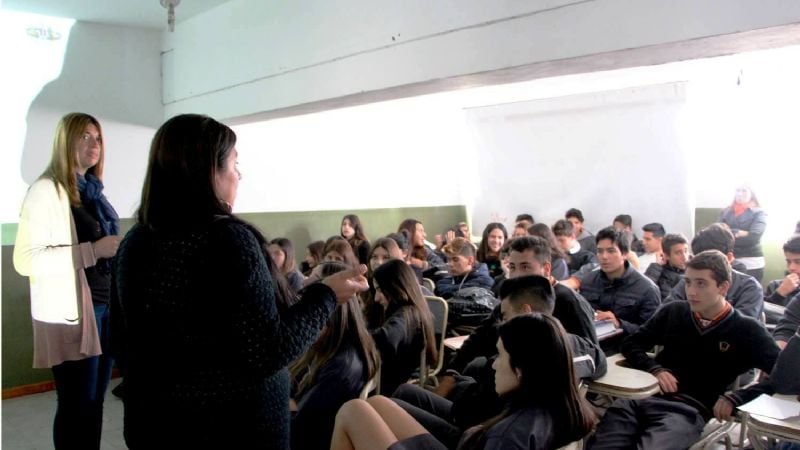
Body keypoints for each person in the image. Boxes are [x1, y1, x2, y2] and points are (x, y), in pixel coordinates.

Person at [111, 114, 368, 449]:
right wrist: (326, 295)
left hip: (156, 423)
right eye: (234, 163)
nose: (239, 174)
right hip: (234, 429)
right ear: (207, 171)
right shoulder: (228, 240)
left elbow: (120, 339)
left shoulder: (135, 242)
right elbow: (269, 349)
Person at [588, 250, 780, 450]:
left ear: (723, 287)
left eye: (701, 283)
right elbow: (631, 344)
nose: (691, 291)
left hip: (686, 411)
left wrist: (738, 397)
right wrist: (655, 369)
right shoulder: (675, 311)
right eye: (687, 282)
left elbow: (783, 375)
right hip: (640, 399)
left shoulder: (746, 329)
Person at [392, 276, 605, 448]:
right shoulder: (557, 363)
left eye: (504, 315)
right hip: (478, 418)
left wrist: (465, 389)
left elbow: (479, 414)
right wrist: (457, 379)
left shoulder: (513, 424)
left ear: (525, 311)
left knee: (377, 407)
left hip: (472, 431)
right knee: (401, 393)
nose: (500, 321)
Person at [331, 313, 597, 450]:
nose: (494, 363)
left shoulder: (510, 435)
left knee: (353, 409)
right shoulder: (559, 402)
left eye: (500, 356)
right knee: (377, 401)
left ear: (521, 370)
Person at [14, 112, 121, 449]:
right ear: (65, 142)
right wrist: (93, 250)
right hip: (71, 316)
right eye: (84, 137)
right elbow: (25, 260)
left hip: (103, 307)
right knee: (76, 406)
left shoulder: (94, 195)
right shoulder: (46, 190)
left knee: (94, 404)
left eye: (98, 138)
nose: (94, 144)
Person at [289, 262, 381, 450]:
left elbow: (301, 428)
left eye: (313, 279)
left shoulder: (341, 366)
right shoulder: (329, 346)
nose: (304, 281)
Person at [579, 227, 661, 353]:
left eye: (611, 251)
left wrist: (619, 323)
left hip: (624, 352)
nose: (604, 257)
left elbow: (651, 334)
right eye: (600, 251)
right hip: (591, 347)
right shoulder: (588, 281)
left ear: (624, 253)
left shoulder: (647, 289)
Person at [665, 223, 763, 320]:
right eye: (699, 262)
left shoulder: (748, 287)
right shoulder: (688, 282)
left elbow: (741, 328)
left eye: (712, 263)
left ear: (729, 258)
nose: (692, 292)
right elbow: (664, 316)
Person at [370, 259, 438, 397]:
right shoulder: (413, 311)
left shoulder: (407, 315)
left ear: (395, 287)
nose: (376, 298)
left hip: (387, 393)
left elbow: (385, 338)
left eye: (379, 290)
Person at [718, 185, 767, 282]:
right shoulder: (725, 211)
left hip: (752, 262)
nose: (740, 193)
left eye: (744, 191)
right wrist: (739, 232)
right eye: (738, 190)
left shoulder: (759, 212)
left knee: (750, 293)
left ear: (751, 194)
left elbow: (754, 237)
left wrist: (728, 235)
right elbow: (717, 233)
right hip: (729, 260)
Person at [644, 233, 690, 300]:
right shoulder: (659, 274)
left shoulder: (695, 269)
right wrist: (656, 267)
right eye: (678, 253)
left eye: (686, 251)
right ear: (666, 256)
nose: (685, 257)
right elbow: (644, 292)